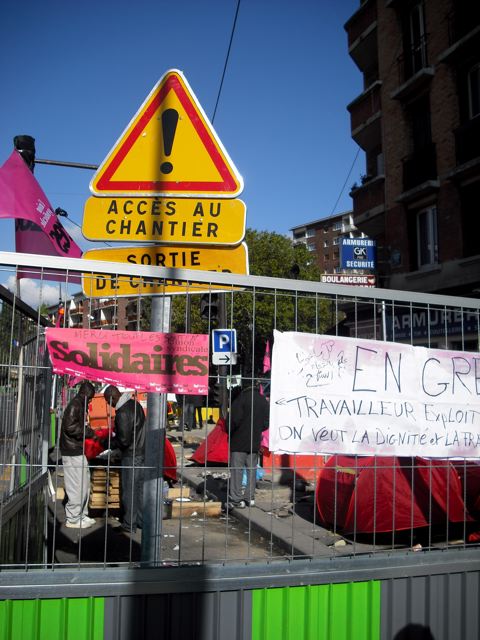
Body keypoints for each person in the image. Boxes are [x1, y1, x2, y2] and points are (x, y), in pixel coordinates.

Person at [103, 385, 146, 533]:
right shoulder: (135, 404)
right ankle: (140, 521)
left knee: (129, 490)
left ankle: (129, 524)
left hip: (131, 454)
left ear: (112, 397)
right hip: (141, 451)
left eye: (108, 402)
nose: (109, 405)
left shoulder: (122, 412)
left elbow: (124, 440)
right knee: (139, 489)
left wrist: (108, 444)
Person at [227, 378, 269, 509]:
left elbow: (233, 421)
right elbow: (266, 423)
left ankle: (236, 499)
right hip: (254, 441)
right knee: (251, 470)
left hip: (239, 441)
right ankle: (249, 497)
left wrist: (231, 431)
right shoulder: (263, 401)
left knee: (236, 470)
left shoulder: (241, 399)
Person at [59, 380, 97, 529]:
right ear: (86, 394)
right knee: (77, 485)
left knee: (83, 483)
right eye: (92, 397)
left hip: (75, 449)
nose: (92, 400)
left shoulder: (79, 404)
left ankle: (80, 514)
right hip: (71, 450)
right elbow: (70, 427)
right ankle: (73, 518)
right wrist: (88, 432)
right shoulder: (76, 405)